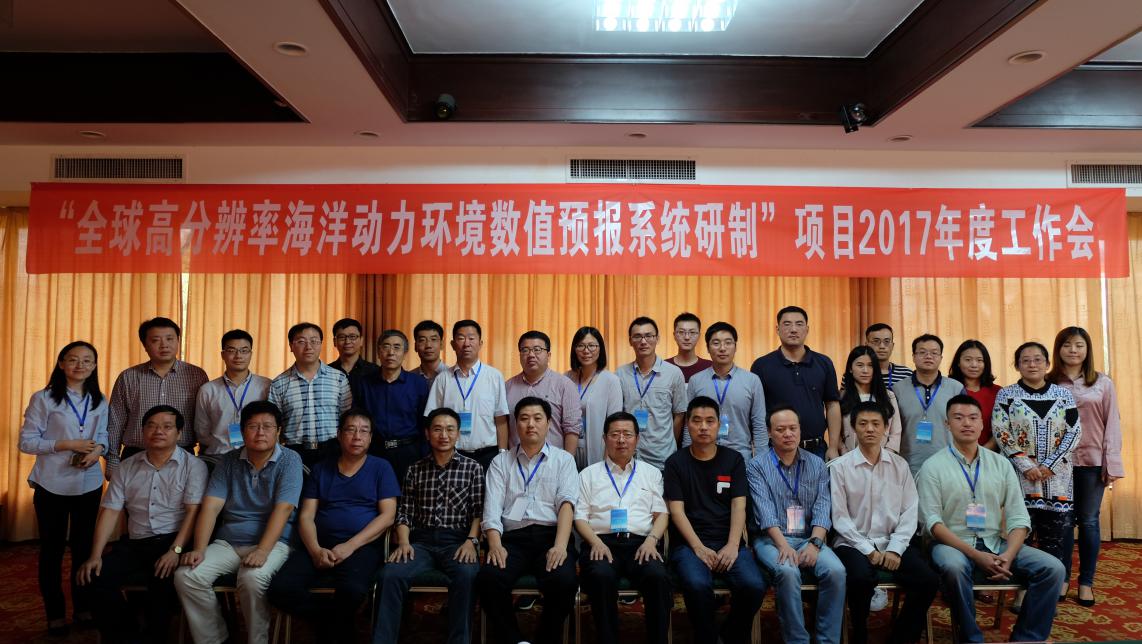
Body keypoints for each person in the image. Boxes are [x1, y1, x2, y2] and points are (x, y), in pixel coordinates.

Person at [918, 394, 1065, 643]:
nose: (967, 423)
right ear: (947, 424)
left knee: (1053, 568)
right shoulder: (932, 466)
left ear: (982, 424)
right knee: (954, 567)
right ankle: (970, 638)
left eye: (973, 418)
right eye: (958, 418)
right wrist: (976, 555)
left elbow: (1019, 518)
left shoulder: (1001, 464)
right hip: (951, 543)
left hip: (995, 542)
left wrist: (1008, 555)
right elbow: (932, 523)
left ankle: (1028, 638)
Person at [173, 400, 303, 644]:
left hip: (275, 543)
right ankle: (215, 639)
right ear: (242, 431)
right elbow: (211, 506)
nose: (260, 432)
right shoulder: (229, 461)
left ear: (278, 431)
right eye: (253, 426)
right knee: (187, 576)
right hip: (230, 542)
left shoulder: (290, 460)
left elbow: (284, 509)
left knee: (252, 578)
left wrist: (262, 550)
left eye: (267, 426)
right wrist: (199, 548)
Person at [77, 405, 207, 644]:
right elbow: (110, 511)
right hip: (136, 543)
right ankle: (127, 636)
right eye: (152, 426)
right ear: (143, 431)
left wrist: (176, 550)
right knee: (93, 576)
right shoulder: (127, 467)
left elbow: (193, 513)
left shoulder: (193, 466)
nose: (159, 431)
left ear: (179, 433)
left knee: (161, 589)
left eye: (167, 427)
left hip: (173, 540)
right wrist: (95, 555)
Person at [268, 409, 398, 644]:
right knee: (280, 589)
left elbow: (388, 516)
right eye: (351, 430)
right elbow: (306, 516)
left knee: (352, 590)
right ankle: (332, 623)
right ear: (339, 434)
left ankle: (332, 629)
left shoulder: (381, 468)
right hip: (319, 544)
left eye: (364, 431)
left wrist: (350, 546)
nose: (357, 436)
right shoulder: (321, 469)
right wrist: (315, 550)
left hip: (362, 546)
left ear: (370, 438)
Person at [19, 341, 109, 636]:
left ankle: (83, 608)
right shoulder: (43, 398)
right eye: (73, 359)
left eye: (87, 360)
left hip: (88, 482)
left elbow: (104, 435)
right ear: (61, 363)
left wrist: (98, 451)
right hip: (52, 484)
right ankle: (55, 614)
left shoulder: (99, 399)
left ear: (94, 366)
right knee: (52, 550)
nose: (80, 365)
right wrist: (67, 444)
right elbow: (27, 442)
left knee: (84, 549)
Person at [830, 401, 937, 644]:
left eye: (876, 424)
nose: (870, 429)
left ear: (886, 428)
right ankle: (859, 634)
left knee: (927, 580)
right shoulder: (840, 467)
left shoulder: (900, 466)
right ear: (853, 428)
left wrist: (896, 548)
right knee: (859, 579)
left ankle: (902, 637)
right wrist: (868, 550)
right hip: (852, 543)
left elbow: (909, 511)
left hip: (891, 541)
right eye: (863, 424)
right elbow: (840, 517)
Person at [376, 407, 485, 644]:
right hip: (420, 542)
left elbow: (479, 512)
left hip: (457, 541)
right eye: (437, 429)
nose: (443, 435)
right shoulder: (415, 469)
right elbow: (405, 512)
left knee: (467, 575)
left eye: (450, 429)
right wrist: (404, 542)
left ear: (458, 434)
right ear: (427, 434)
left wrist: (471, 541)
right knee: (390, 574)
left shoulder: (473, 468)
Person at [476, 397, 580, 644]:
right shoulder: (501, 462)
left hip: (550, 537)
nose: (530, 424)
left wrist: (560, 546)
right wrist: (495, 544)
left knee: (564, 580)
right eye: (524, 418)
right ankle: (514, 640)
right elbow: (491, 509)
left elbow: (567, 505)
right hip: (512, 540)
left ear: (548, 423)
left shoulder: (564, 460)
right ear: (516, 424)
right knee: (489, 579)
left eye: (537, 418)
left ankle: (546, 638)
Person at [665, 397, 767, 644]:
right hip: (689, 544)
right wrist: (698, 548)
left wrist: (732, 545)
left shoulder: (734, 460)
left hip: (728, 540)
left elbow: (739, 505)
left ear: (719, 425)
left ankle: (731, 634)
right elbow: (676, 511)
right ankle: (707, 637)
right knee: (696, 585)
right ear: (687, 425)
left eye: (710, 421)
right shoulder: (675, 463)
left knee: (754, 585)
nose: (703, 427)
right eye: (697, 421)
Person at [993, 341, 1081, 601]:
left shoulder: (1063, 395)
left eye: (1037, 359)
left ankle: (1045, 595)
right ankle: (1020, 593)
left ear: (1047, 363)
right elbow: (1001, 431)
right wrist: (1026, 465)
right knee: (1020, 536)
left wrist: (1049, 465)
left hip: (1058, 480)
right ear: (1017, 365)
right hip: (1020, 478)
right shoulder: (1007, 395)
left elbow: (1074, 432)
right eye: (1025, 360)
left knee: (1055, 539)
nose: (1032, 364)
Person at [749, 405, 844, 644]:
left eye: (793, 428)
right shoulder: (757, 466)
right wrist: (783, 545)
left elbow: (823, 508)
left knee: (836, 571)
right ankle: (797, 640)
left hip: (808, 538)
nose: (788, 434)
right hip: (771, 540)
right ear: (769, 433)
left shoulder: (817, 464)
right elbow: (765, 512)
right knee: (788, 571)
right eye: (780, 429)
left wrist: (815, 543)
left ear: (800, 430)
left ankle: (827, 640)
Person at [575, 411, 672, 644]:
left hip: (641, 543)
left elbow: (662, 514)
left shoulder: (651, 473)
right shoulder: (588, 474)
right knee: (601, 576)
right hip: (601, 543)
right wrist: (595, 542)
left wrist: (651, 540)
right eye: (615, 434)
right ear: (604, 438)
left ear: (637, 439)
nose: (621, 440)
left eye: (627, 434)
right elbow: (579, 517)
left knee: (658, 576)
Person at [1048, 326, 1124, 607]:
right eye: (1067, 345)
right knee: (1064, 522)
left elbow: (1112, 423)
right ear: (1058, 349)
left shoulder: (1102, 383)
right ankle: (1063, 578)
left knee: (1089, 521)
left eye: (1079, 345)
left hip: (1092, 461)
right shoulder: (1048, 382)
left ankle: (1086, 582)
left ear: (1087, 350)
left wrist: (1111, 462)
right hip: (1058, 464)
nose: (1073, 350)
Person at [107, 317, 208, 473]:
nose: (164, 345)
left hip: (182, 455)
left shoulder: (196, 375)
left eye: (169, 339)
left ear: (178, 341)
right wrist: (112, 460)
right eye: (155, 340)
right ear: (145, 345)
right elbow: (116, 421)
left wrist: (203, 457)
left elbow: (204, 420)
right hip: (136, 454)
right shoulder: (128, 377)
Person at [750, 306, 841, 460]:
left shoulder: (823, 363)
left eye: (799, 324)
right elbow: (757, 412)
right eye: (787, 324)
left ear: (807, 329)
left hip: (816, 449)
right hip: (776, 450)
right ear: (777, 329)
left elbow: (832, 405)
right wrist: (760, 449)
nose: (793, 329)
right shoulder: (762, 365)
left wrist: (833, 447)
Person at [424, 319, 510, 470]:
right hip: (451, 455)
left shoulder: (494, 376)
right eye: (461, 338)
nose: (466, 343)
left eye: (471, 338)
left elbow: (501, 420)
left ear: (480, 343)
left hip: (488, 455)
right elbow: (432, 419)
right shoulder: (443, 379)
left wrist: (502, 454)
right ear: (452, 344)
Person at [268, 321, 352, 467]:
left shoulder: (338, 378)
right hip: (294, 452)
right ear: (291, 346)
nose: (308, 347)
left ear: (321, 344)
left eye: (314, 341)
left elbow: (347, 418)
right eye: (301, 342)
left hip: (332, 450)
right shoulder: (279, 384)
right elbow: (273, 424)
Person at [355, 329, 430, 484]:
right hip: (375, 451)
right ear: (378, 352)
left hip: (409, 452)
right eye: (386, 347)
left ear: (405, 353)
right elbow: (359, 419)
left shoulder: (418, 383)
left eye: (397, 347)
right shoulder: (364, 383)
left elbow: (424, 422)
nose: (391, 353)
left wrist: (423, 453)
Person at [685, 321, 767, 460]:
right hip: (702, 455)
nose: (722, 348)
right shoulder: (696, 381)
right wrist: (687, 458)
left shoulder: (752, 381)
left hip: (740, 457)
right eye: (716, 343)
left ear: (736, 347)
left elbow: (759, 425)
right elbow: (689, 424)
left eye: (728, 343)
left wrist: (761, 462)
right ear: (707, 348)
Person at [618, 316, 687, 471]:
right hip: (629, 457)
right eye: (637, 336)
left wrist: (667, 442)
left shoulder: (673, 373)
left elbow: (679, 415)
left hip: (662, 457)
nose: (643, 341)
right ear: (630, 341)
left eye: (648, 336)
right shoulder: (620, 374)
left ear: (657, 338)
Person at [893, 333, 965, 478]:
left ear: (941, 358)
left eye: (934, 353)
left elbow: (964, 426)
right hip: (907, 464)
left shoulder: (956, 388)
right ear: (913, 357)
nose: (928, 356)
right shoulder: (897, 389)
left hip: (948, 464)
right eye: (922, 352)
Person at [193, 329, 271, 458]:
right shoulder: (208, 390)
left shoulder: (266, 386)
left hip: (256, 457)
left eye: (244, 351)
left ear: (251, 354)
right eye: (231, 350)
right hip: (218, 456)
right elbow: (202, 432)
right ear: (223, 355)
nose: (238, 356)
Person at [506, 330, 581, 453]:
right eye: (525, 350)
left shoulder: (565, 385)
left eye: (537, 349)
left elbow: (572, 429)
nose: (531, 355)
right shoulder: (507, 387)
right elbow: (504, 426)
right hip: (516, 460)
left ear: (549, 355)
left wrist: (567, 461)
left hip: (553, 460)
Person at [566, 326, 623, 468]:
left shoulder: (611, 381)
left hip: (597, 450)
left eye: (592, 346)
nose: (586, 351)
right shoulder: (566, 378)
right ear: (574, 349)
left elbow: (614, 424)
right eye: (581, 346)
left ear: (600, 349)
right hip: (568, 448)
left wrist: (606, 464)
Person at [837, 345, 901, 454]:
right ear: (850, 369)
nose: (865, 370)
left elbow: (896, 431)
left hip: (883, 457)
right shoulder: (841, 397)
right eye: (860, 365)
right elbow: (835, 432)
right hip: (849, 457)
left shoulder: (888, 396)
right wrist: (845, 454)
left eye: (870, 365)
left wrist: (886, 455)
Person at [948, 339, 1002, 451]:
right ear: (958, 362)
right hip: (953, 453)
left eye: (979, 360)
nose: (974, 365)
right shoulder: (948, 389)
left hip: (989, 454)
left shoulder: (998, 392)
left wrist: (981, 453)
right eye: (968, 360)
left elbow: (1001, 428)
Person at [330, 317, 380, 400]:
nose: (347, 341)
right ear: (335, 342)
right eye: (342, 337)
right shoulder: (326, 372)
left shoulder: (374, 371)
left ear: (361, 340)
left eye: (352, 337)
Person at [666, 312, 713, 382]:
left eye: (692, 332)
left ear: (699, 336)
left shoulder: (710, 367)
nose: (687, 337)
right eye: (681, 332)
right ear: (674, 335)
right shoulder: (664, 367)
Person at [865, 323, 913, 390]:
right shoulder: (859, 373)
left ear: (892, 346)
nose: (882, 346)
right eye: (876, 341)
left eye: (886, 341)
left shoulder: (907, 374)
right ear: (867, 345)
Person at [412, 319, 449, 383]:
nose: (428, 345)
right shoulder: (409, 378)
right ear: (415, 346)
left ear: (441, 344)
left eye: (433, 339)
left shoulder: (452, 376)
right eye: (422, 340)